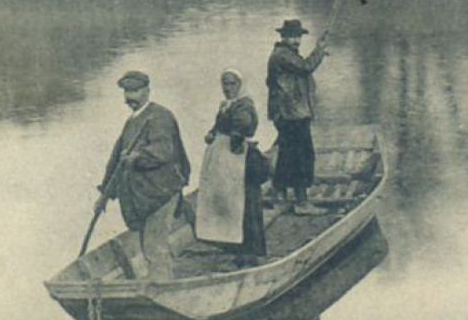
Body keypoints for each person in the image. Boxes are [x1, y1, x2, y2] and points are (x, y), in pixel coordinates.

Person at [95, 70, 190, 280]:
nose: (130, 98)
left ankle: (163, 288)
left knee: (155, 246)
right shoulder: (131, 122)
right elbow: (116, 161)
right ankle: (157, 282)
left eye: (135, 92)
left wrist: (138, 157)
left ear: (147, 91)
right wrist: (105, 194)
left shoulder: (160, 117)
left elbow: (163, 150)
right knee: (148, 246)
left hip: (161, 193)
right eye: (127, 93)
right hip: (142, 196)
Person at [203, 69, 268, 257]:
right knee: (231, 204)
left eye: (232, 84)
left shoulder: (243, 105)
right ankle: (236, 248)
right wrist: (212, 133)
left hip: (240, 161)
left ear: (240, 85)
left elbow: (245, 125)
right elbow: (219, 126)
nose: (227, 88)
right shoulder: (227, 105)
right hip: (226, 163)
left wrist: (235, 137)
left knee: (244, 205)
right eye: (225, 83)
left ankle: (250, 253)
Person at [266, 18, 327, 216]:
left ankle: (279, 195)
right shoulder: (282, 55)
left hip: (290, 113)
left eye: (298, 36)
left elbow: (302, 69)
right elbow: (306, 67)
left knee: (287, 155)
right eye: (292, 36)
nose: (296, 41)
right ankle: (301, 202)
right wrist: (319, 50)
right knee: (303, 155)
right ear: (283, 37)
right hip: (291, 114)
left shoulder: (285, 54)